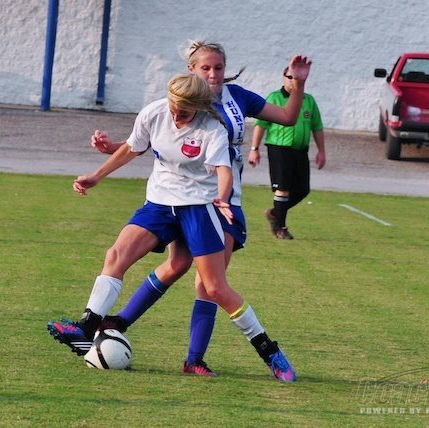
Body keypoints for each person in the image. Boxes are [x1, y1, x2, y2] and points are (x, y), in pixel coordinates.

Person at [50, 41, 311, 381]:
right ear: (191, 71)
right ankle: (89, 326)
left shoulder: (217, 123)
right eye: (206, 68)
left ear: (198, 107)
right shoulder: (157, 111)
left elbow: (226, 168)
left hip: (209, 204)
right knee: (126, 255)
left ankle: (256, 353)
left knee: (211, 286)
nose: (213, 74)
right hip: (162, 201)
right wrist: (98, 173)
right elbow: (138, 144)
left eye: (218, 67)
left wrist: (222, 198)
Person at [249, 67, 325, 240]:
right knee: (282, 188)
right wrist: (254, 149)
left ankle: (275, 213)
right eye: (289, 77)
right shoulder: (275, 98)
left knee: (303, 189)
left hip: (300, 150)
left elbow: (317, 127)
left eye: (295, 77)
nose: (292, 80)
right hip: (279, 148)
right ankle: (280, 228)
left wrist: (321, 151)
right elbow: (261, 124)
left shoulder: (309, 100)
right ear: (283, 78)